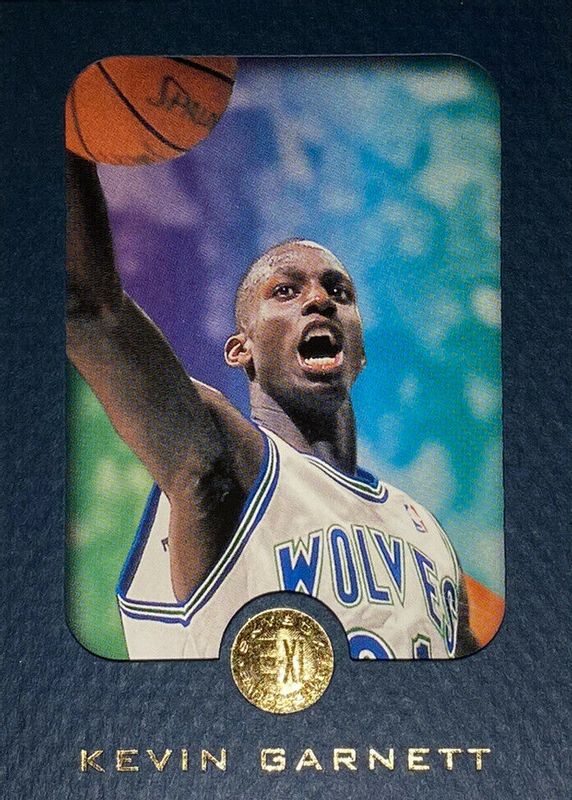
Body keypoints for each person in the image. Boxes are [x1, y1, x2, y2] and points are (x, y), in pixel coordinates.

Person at [66, 151, 477, 660]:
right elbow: (87, 308)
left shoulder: (429, 535)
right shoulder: (229, 459)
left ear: (361, 353)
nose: (320, 300)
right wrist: (69, 136)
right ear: (241, 350)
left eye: (339, 291)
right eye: (285, 290)